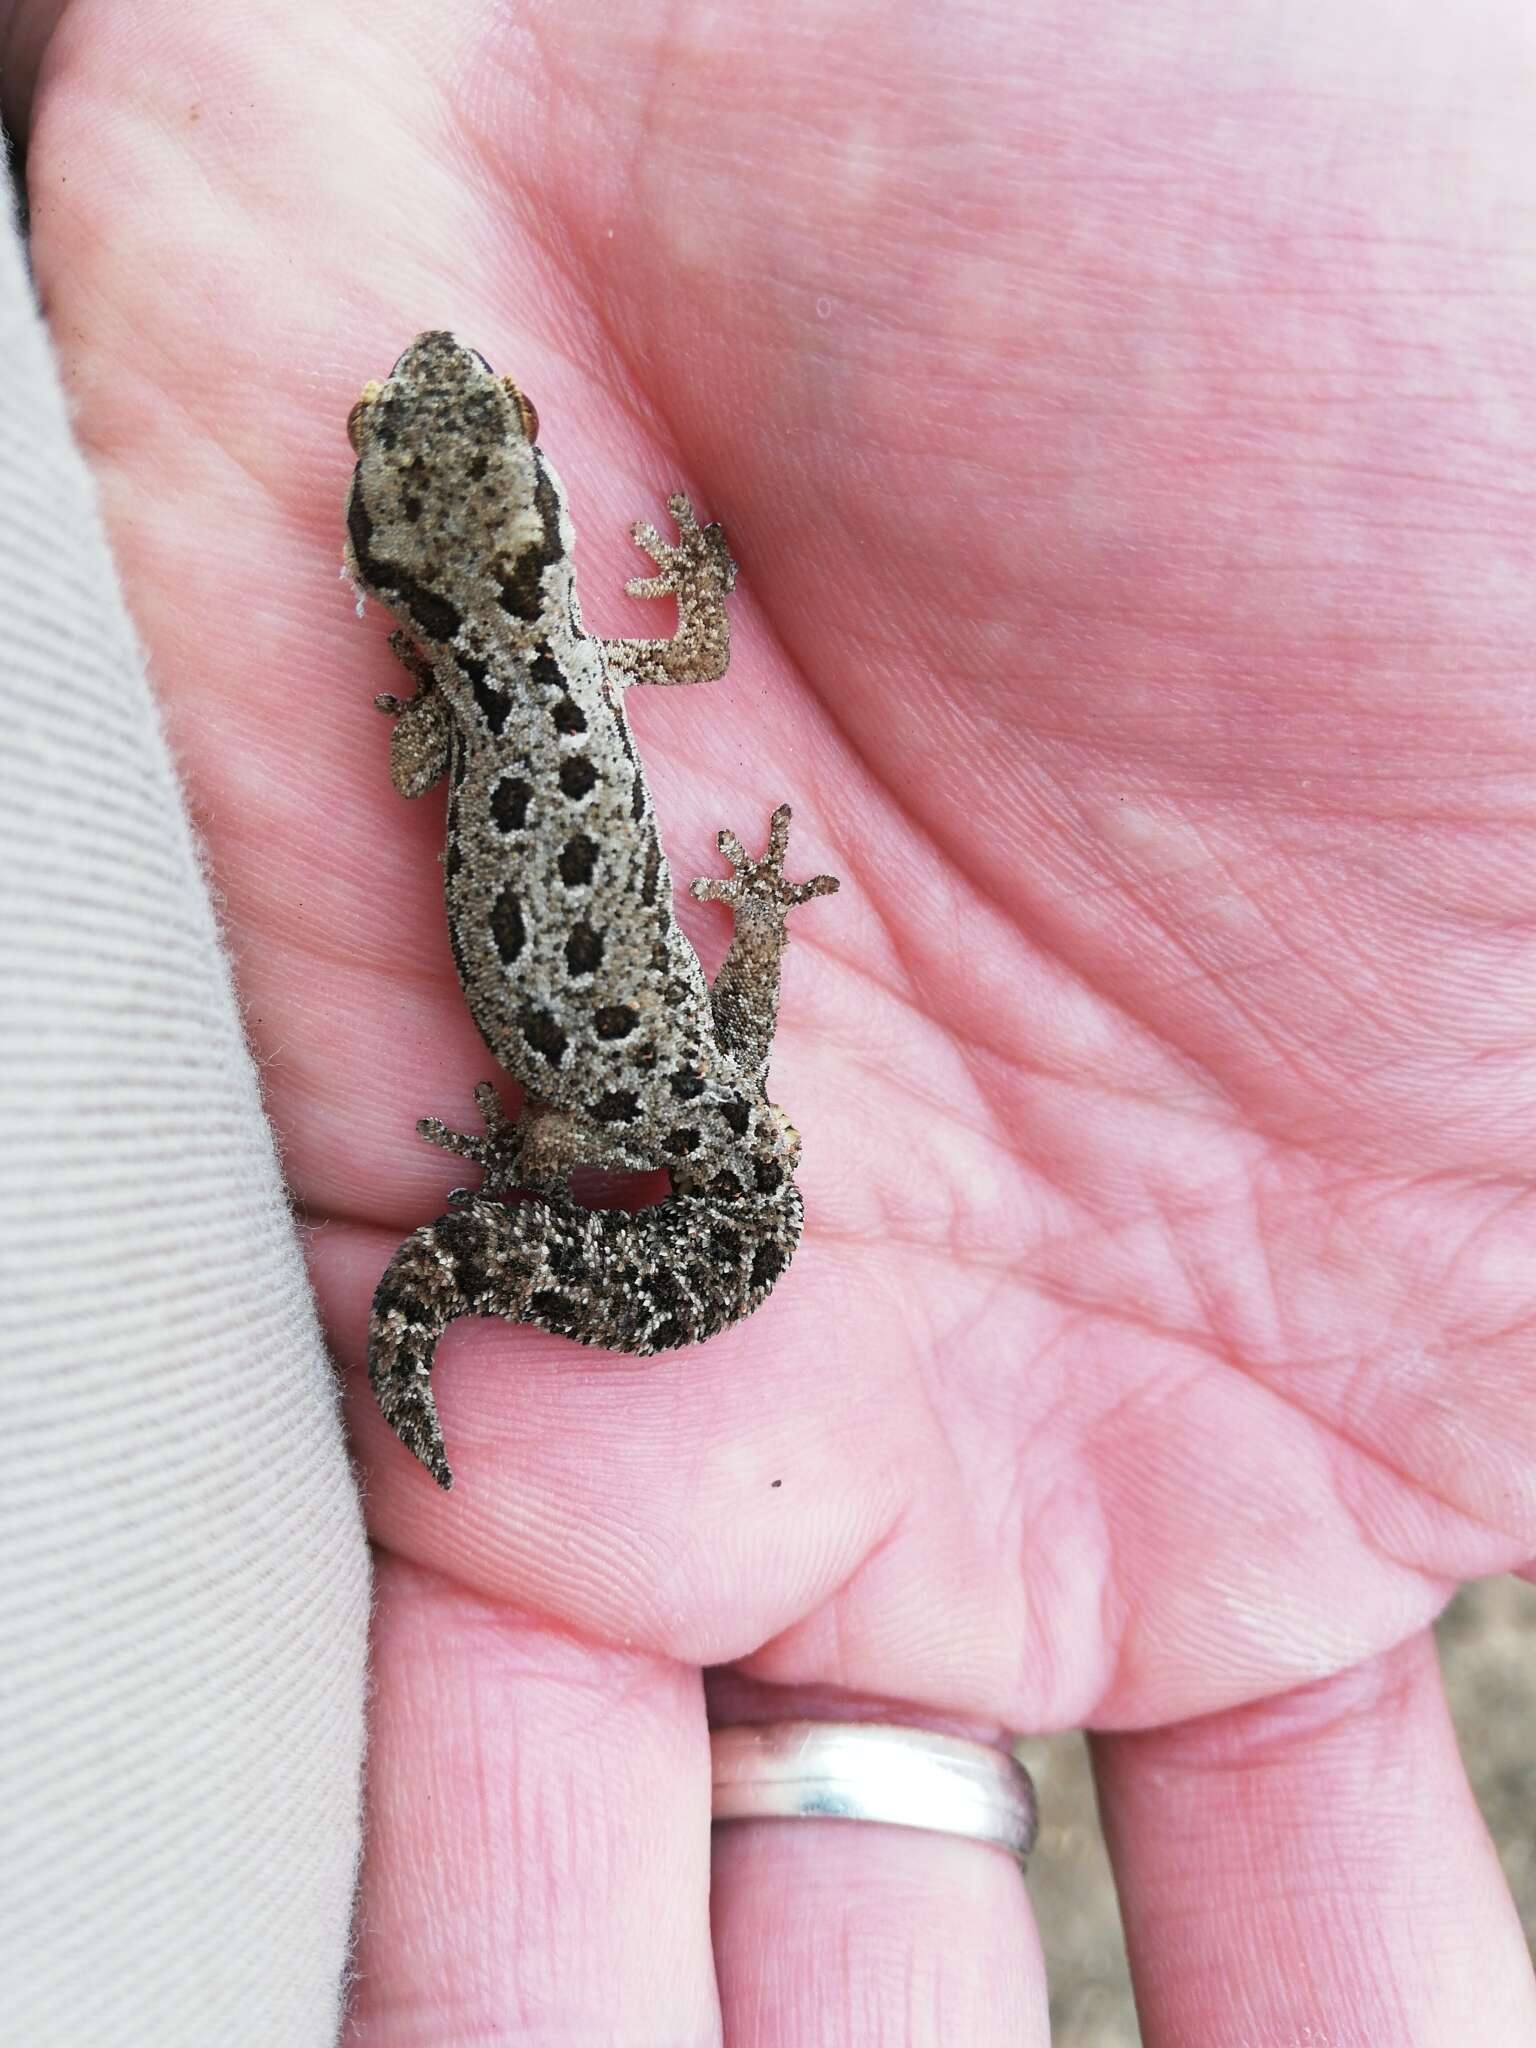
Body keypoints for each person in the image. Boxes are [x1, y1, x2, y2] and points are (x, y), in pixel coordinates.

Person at [4, 2, 1534, 2041]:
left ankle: (477, 1256)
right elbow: (682, 644)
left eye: (451, 453)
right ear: (501, 541)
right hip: (612, 1081)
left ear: (422, 558)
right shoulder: (557, 669)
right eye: (432, 456)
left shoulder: (468, 697)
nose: (436, 421)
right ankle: (482, 1252)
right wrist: (714, 695)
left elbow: (450, 772)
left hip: (605, 1088)